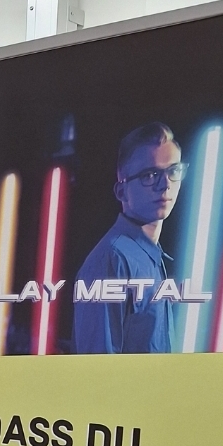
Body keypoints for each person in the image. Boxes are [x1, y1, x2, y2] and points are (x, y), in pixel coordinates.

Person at [73, 123, 187, 354]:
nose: (165, 184)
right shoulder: (112, 259)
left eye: (173, 171)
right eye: (150, 175)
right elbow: (97, 366)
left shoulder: (149, 255)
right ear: (121, 191)